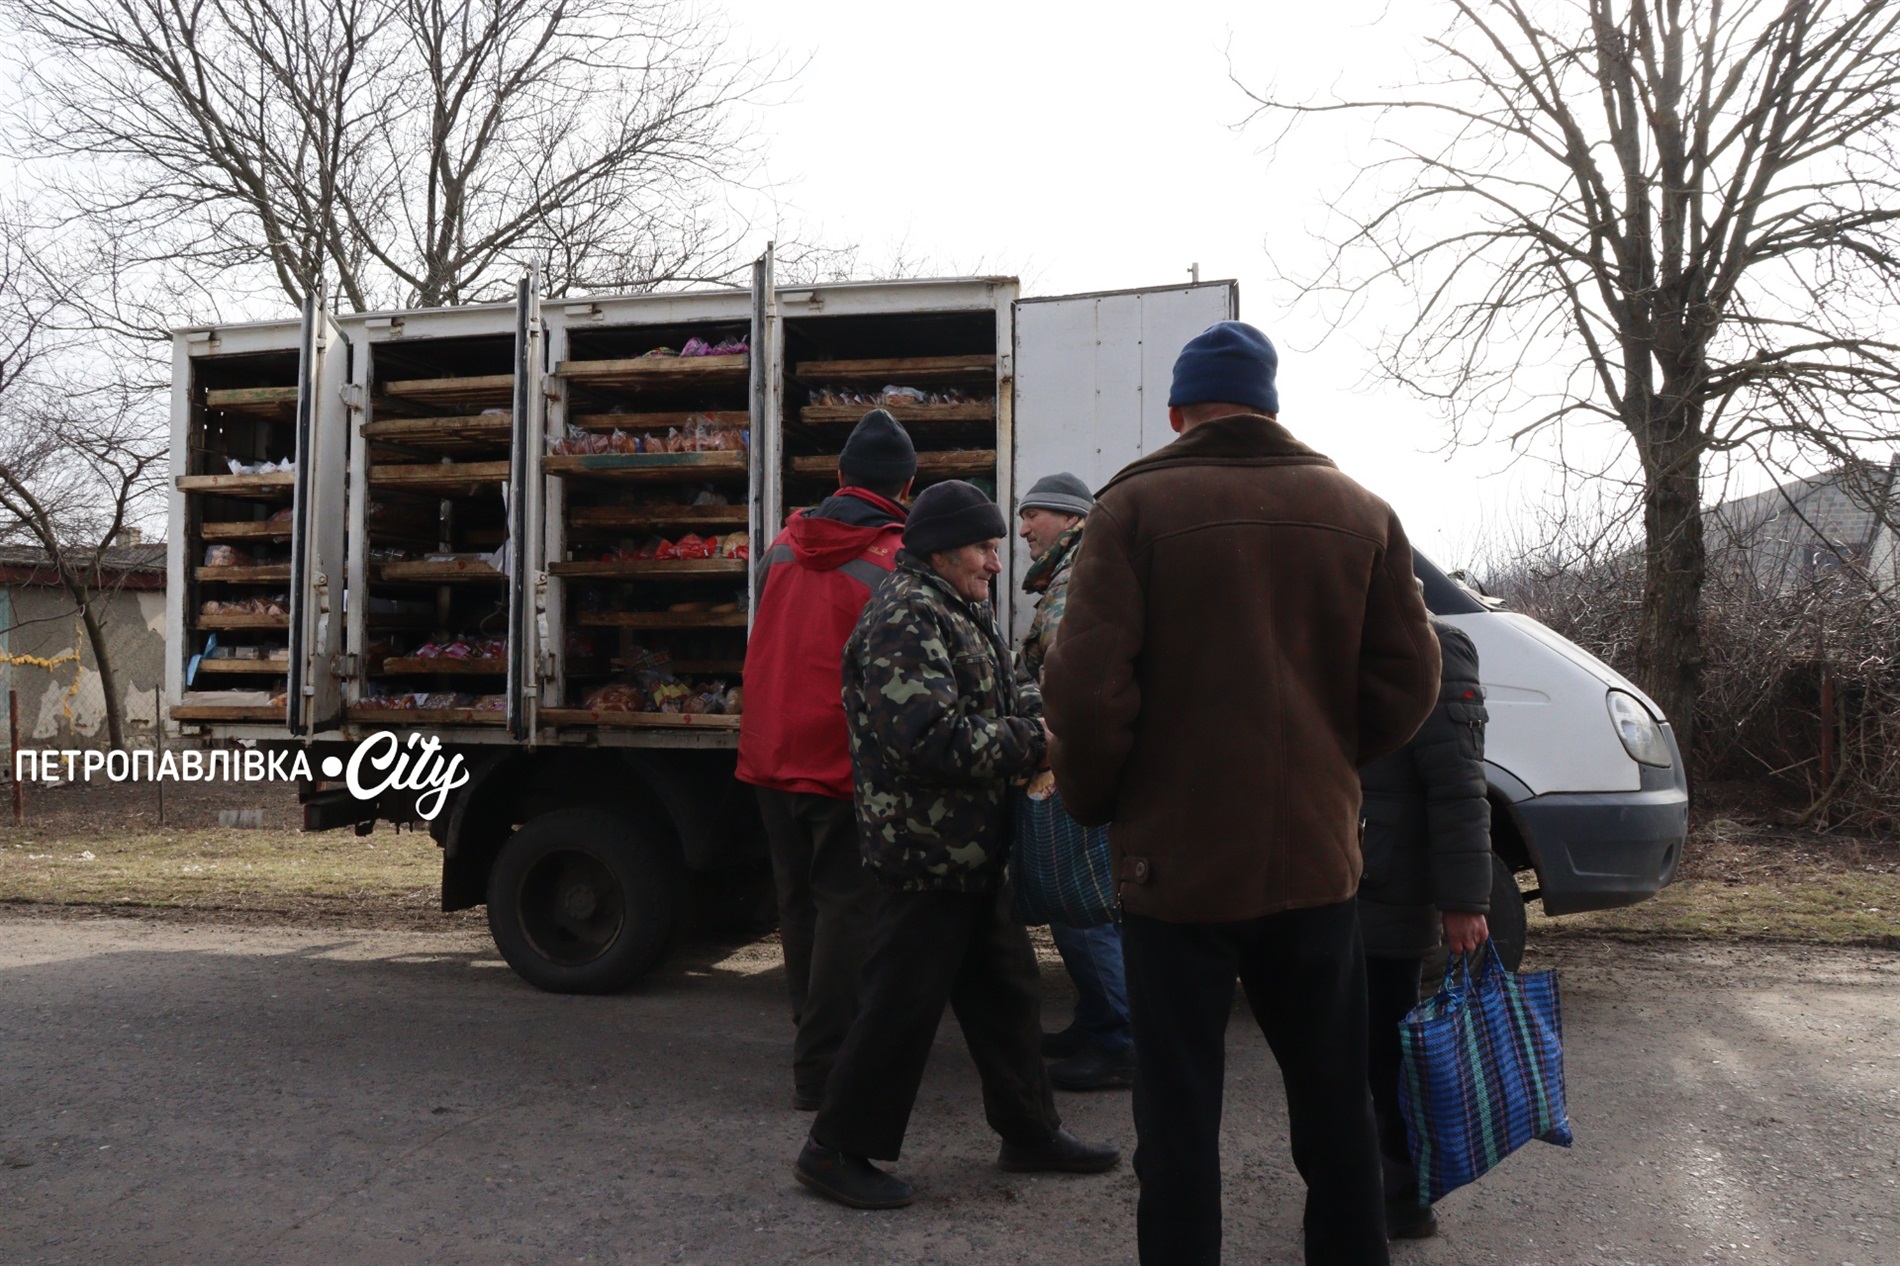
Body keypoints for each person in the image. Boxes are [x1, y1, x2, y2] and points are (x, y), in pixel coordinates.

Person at [1042, 320, 1441, 1266]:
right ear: (1271, 409)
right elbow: (1412, 682)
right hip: (1317, 860)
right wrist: (1330, 766)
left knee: (1178, 1114)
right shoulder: (1363, 513)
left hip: (1174, 869)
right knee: (1335, 1098)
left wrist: (1100, 804)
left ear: (1178, 414)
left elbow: (1087, 696)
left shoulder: (1131, 515)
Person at [793, 479, 1121, 1210]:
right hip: (927, 855)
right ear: (942, 550)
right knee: (899, 1010)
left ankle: (1030, 1132)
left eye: (1000, 545)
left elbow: (1006, 693)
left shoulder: (957, 609)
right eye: (984, 547)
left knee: (1007, 998)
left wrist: (1050, 712)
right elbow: (927, 741)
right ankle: (832, 1149)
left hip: (974, 853)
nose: (996, 562)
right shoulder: (906, 616)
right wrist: (1037, 741)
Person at [737, 408, 916, 1111]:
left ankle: (810, 1036)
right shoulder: (895, 557)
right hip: (841, 761)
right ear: (907, 485)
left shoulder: (784, 541)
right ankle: (825, 1068)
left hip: (770, 752)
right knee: (849, 912)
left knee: (801, 908)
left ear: (839, 476)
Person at [1357, 616, 1493, 1241]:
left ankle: (1405, 1196)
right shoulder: (1330, 630)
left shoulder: (1434, 646)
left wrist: (1464, 900)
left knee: (1391, 1054)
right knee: (1345, 1054)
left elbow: (1460, 787)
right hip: (1337, 884)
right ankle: (1358, 1189)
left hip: (1391, 888)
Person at [1016, 471, 1135, 1092]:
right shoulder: (1077, 575)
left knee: (1082, 906)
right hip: (1081, 761)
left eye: (1032, 515)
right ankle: (1097, 1023)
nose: (1023, 529)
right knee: (1086, 906)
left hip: (1072, 765)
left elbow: (1068, 682)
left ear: (1068, 519)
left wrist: (1039, 734)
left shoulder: (1076, 584)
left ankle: (1117, 1041)